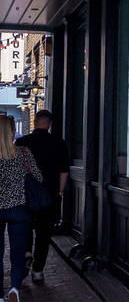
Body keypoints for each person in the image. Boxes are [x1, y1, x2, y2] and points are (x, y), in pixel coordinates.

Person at [16, 109, 69, 282]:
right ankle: (38, 270)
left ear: (35, 122)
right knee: (44, 233)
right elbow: (64, 171)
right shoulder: (59, 143)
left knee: (25, 227)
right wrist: (60, 191)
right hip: (49, 195)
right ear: (49, 124)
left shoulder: (22, 142)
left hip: (25, 194)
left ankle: (27, 253)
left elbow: (16, 170)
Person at [0, 115, 43, 302]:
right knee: (18, 255)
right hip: (19, 210)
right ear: (11, 132)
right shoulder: (23, 153)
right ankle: (14, 289)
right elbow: (38, 177)